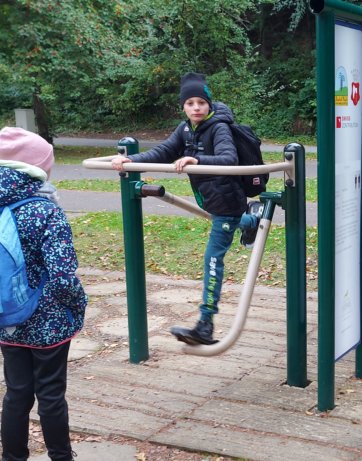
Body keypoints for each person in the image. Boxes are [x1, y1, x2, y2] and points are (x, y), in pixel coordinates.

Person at [110, 72, 262, 345]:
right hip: (212, 200)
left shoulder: (219, 128)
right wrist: (131, 160)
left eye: (201, 102)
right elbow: (164, 152)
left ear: (209, 104)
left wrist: (196, 159)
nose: (196, 108)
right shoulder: (185, 129)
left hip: (228, 201)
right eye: (190, 103)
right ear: (183, 107)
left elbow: (229, 158)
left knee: (213, 260)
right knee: (228, 224)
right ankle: (253, 219)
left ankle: (205, 325)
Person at [0, 127, 87, 461]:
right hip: (48, 322)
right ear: (37, 167)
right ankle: (61, 457)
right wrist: (77, 306)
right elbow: (62, 276)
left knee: (16, 393)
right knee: (51, 395)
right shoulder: (46, 211)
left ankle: (12, 457)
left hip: (7, 316)